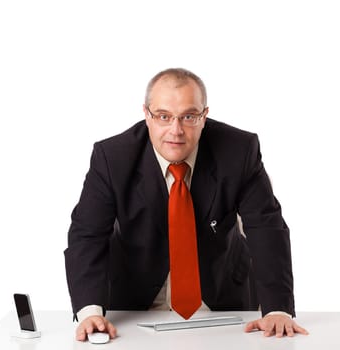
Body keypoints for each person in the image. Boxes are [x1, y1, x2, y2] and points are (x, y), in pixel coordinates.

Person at [64, 68, 308, 341]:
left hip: (222, 305)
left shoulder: (239, 150)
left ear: (204, 116)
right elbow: (87, 234)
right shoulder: (112, 157)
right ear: (147, 114)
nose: (176, 130)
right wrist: (89, 312)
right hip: (136, 309)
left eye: (189, 116)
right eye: (164, 116)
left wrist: (277, 309)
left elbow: (266, 227)